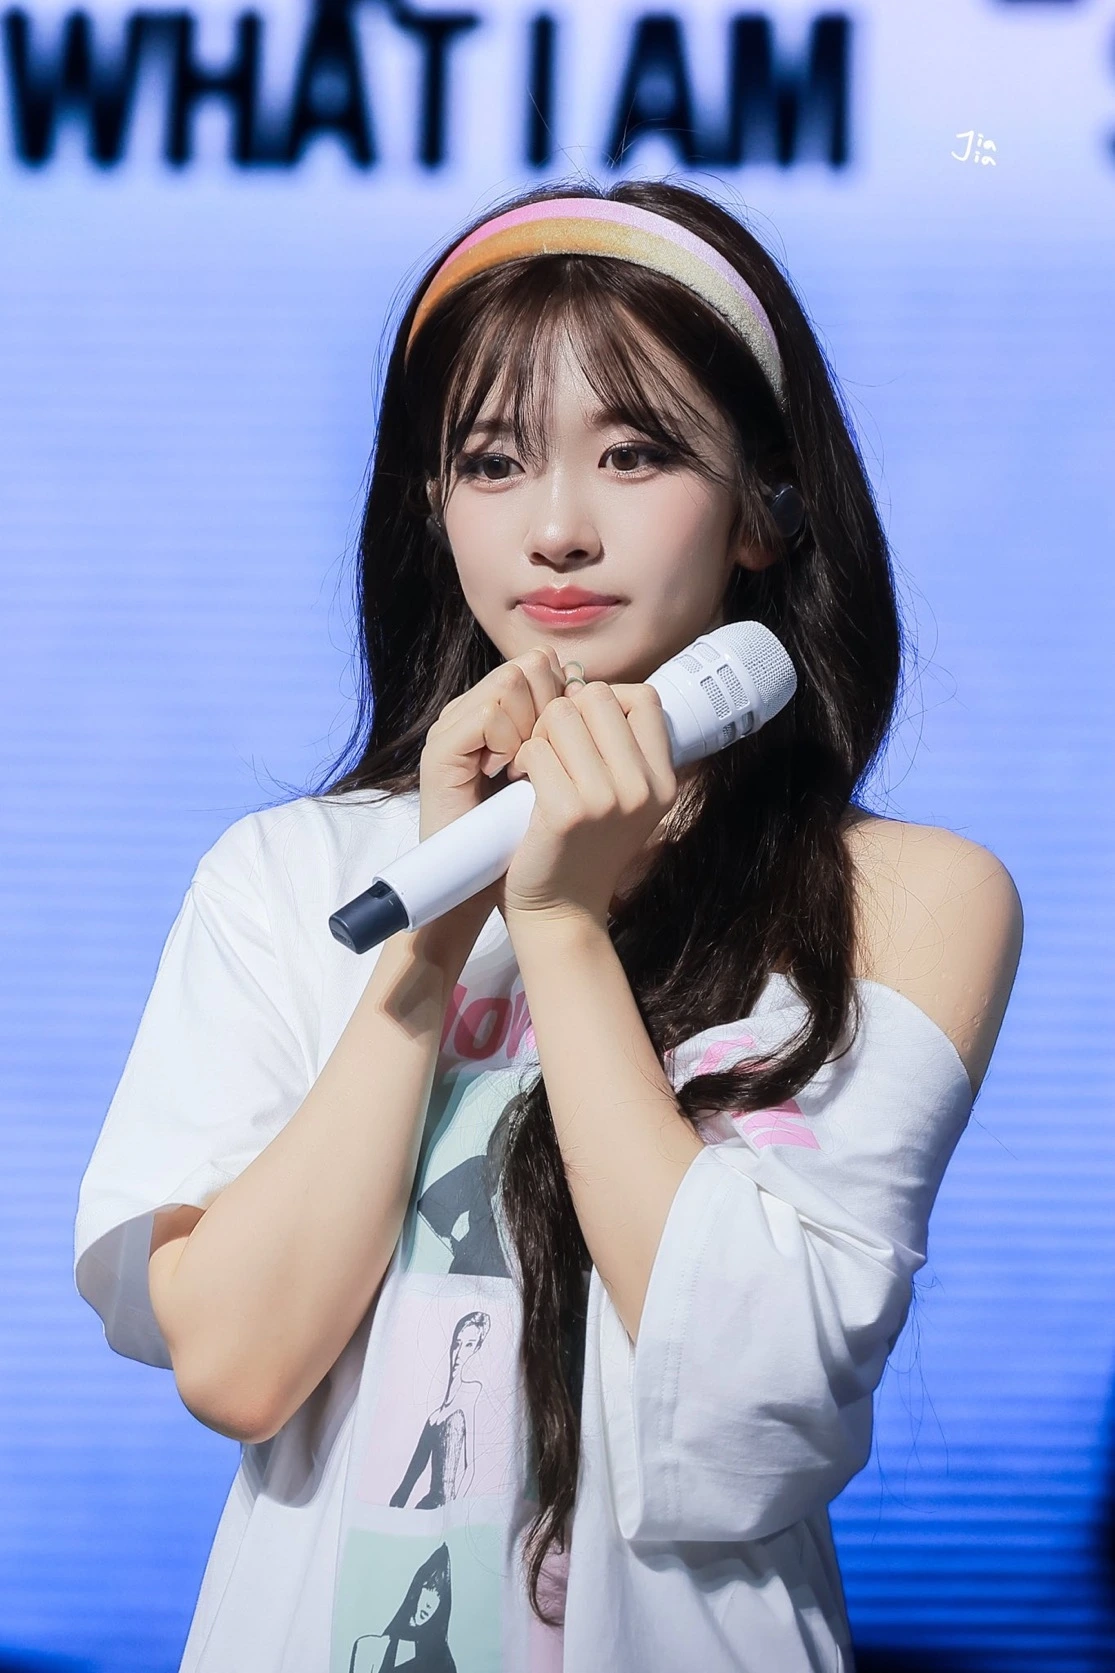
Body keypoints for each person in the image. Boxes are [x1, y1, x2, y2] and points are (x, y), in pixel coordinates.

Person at [73, 179, 1024, 1672]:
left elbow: (755, 1405)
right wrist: (437, 929)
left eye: (634, 454)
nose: (559, 530)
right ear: (433, 507)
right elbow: (241, 1367)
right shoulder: (287, 879)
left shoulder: (903, 898)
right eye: (494, 462)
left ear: (766, 507)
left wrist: (562, 928)